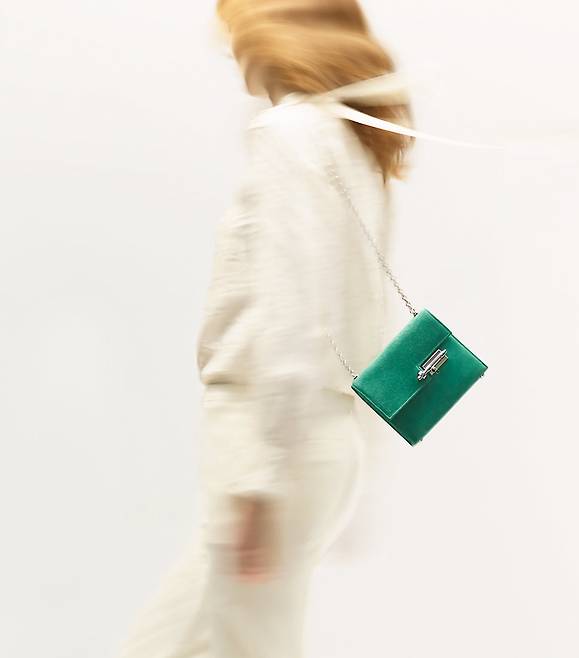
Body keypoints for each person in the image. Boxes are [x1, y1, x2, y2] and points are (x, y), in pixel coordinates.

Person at [116, 1, 416, 656]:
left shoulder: (290, 133)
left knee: (247, 644)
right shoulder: (356, 143)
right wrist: (361, 467)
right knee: (170, 642)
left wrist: (261, 475)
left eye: (234, 32)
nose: (231, 52)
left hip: (268, 434)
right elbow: (370, 322)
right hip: (326, 441)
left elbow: (292, 319)